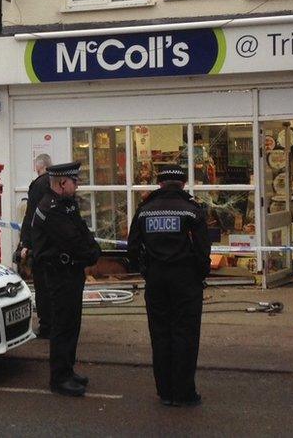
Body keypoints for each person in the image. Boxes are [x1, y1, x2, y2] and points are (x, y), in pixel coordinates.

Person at [127, 165, 211, 407]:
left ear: (160, 184)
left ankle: (165, 392)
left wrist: (147, 271)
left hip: (156, 280)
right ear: (183, 184)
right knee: (185, 334)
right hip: (185, 281)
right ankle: (184, 392)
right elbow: (203, 251)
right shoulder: (192, 211)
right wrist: (199, 274)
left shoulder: (144, 211)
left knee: (160, 334)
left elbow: (132, 249)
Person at [31, 161, 101, 397]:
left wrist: (93, 249)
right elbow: (73, 241)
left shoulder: (66, 204)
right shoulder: (52, 208)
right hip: (59, 274)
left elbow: (82, 231)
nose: (77, 185)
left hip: (70, 273)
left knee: (72, 324)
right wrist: (91, 254)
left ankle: (68, 370)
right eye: (75, 181)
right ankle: (59, 378)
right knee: (63, 326)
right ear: (62, 183)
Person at [18, 153, 52, 338]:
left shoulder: (37, 185)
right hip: (55, 244)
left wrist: (25, 243)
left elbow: (30, 216)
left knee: (42, 287)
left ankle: (46, 326)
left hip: (40, 245)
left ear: (38, 166)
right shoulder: (58, 182)